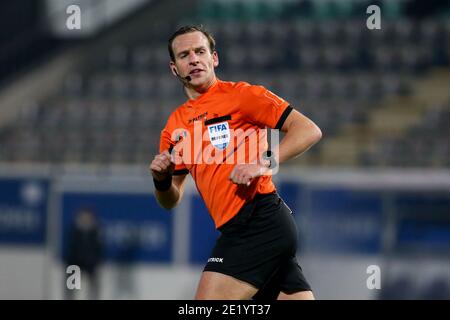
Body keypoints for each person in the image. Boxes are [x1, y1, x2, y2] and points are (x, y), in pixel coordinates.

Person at [149, 25, 322, 300]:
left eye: (200, 51)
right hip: (244, 227)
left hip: (259, 220)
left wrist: (263, 163)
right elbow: (171, 199)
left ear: (213, 58)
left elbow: (308, 130)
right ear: (174, 68)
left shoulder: (243, 96)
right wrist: (161, 180)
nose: (193, 59)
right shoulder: (175, 126)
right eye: (184, 55)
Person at [64, 207, 103, 300]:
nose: (86, 218)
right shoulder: (75, 228)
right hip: (75, 262)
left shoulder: (95, 229)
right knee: (72, 287)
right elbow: (70, 246)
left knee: (93, 286)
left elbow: (99, 247)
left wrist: (96, 259)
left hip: (90, 263)